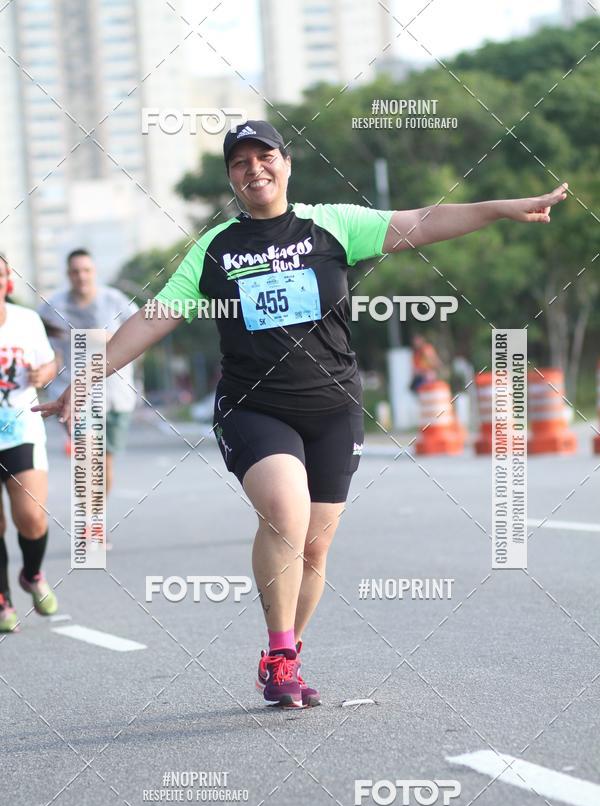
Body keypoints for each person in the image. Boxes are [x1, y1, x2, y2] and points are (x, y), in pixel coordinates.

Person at [34, 119, 568, 705]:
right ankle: (283, 654)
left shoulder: (332, 225)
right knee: (285, 513)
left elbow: (421, 221)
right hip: (253, 406)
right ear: (231, 179)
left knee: (314, 546)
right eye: (240, 163)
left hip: (334, 409)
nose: (254, 169)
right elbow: (151, 320)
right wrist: (80, 380)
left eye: (264, 156)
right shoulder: (214, 250)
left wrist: (498, 207)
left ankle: (281, 655)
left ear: (286, 163)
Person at [39, 249, 139, 547]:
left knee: (105, 464)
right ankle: (90, 527)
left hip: (116, 394)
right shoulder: (52, 308)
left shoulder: (116, 301)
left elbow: (138, 338)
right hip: (75, 396)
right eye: (75, 272)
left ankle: (96, 518)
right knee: (89, 459)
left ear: (94, 272)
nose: (81, 276)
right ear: (68, 275)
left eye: (86, 270)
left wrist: (109, 339)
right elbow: (46, 350)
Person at [0, 253, 59, 633]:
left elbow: (50, 363)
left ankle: (32, 573)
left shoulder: (26, 320)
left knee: (32, 518)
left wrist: (44, 372)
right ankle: (2, 599)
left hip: (21, 430)